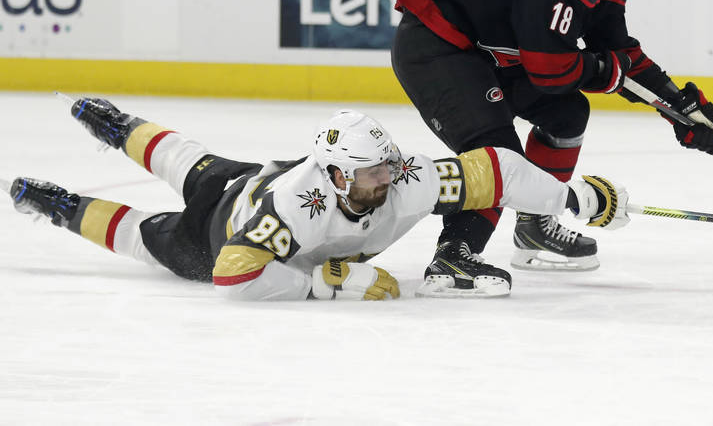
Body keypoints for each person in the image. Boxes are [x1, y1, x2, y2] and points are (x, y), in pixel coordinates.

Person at [389, 0, 713, 289]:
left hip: (483, 51)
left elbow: (618, 51)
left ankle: (535, 224)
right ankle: (454, 256)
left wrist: (678, 105)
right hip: (436, 45)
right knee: (501, 156)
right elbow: (550, 70)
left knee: (567, 113)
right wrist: (607, 72)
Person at [6, 99, 628, 300]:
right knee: (138, 233)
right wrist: (331, 282)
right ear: (333, 178)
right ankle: (62, 206)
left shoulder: (400, 176)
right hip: (217, 238)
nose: (389, 179)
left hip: (247, 178)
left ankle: (115, 125)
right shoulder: (297, 207)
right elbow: (233, 275)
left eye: (387, 166)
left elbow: (496, 171)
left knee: (182, 155)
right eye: (373, 173)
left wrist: (567, 197)